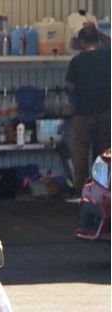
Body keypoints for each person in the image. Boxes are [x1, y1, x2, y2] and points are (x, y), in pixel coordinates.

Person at [66, 23, 110, 188]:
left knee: (81, 153)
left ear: (82, 42)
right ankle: (102, 190)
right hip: (105, 112)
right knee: (103, 153)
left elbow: (70, 87)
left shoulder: (76, 61)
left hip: (83, 114)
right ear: (97, 40)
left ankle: (82, 191)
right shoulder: (107, 57)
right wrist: (99, 33)